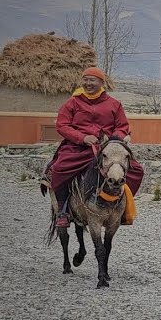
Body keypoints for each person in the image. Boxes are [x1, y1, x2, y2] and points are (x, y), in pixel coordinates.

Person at [47, 67, 145, 227]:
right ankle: (63, 211)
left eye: (92, 80)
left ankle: (121, 208)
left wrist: (111, 141)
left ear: (101, 82)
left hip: (107, 148)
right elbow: (62, 125)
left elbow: (122, 126)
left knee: (137, 170)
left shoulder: (114, 104)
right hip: (77, 147)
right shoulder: (72, 102)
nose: (88, 83)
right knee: (59, 169)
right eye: (85, 80)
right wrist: (82, 138)